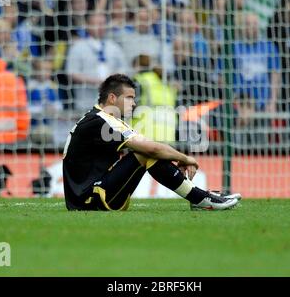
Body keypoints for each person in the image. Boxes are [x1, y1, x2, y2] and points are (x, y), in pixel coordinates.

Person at [62, 73, 241, 211]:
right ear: (112, 98)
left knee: (147, 152)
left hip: (85, 197)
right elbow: (151, 148)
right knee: (145, 152)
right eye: (129, 98)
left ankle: (199, 197)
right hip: (91, 199)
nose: (133, 103)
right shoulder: (102, 121)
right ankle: (200, 198)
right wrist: (185, 158)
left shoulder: (100, 118)